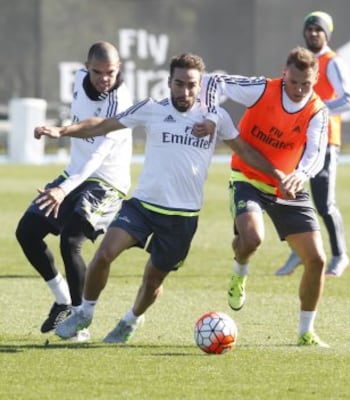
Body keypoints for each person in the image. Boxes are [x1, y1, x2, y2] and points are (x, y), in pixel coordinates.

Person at [35, 53, 289, 344]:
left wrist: (277, 173)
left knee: (153, 279)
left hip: (182, 217)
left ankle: (130, 321)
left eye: (191, 85)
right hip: (142, 206)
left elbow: (244, 151)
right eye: (179, 83)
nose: (185, 91)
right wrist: (62, 131)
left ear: (200, 85)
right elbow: (103, 124)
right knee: (103, 254)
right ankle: (85, 312)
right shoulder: (152, 109)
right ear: (168, 82)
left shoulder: (216, 117)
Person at [204, 47, 330, 346]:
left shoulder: (317, 110)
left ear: (316, 78)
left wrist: (300, 175)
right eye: (294, 82)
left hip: (288, 185)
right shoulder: (262, 89)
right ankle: (240, 271)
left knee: (317, 259)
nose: (299, 89)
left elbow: (316, 154)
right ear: (284, 73)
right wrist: (210, 114)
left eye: (306, 84)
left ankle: (305, 332)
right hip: (247, 177)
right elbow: (213, 81)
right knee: (251, 240)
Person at [15, 41, 133, 340]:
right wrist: (59, 128)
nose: (104, 78)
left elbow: (97, 158)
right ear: (86, 67)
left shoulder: (122, 102)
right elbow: (81, 124)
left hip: (107, 183)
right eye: (97, 72)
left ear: (118, 69)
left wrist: (62, 190)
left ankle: (81, 322)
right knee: (27, 231)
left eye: (111, 72)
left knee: (71, 240)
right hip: (74, 176)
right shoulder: (78, 81)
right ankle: (62, 301)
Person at [275, 11, 350, 277]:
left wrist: (316, 110)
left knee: (324, 204)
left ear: (327, 34)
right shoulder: (303, 61)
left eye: (318, 30)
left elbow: (348, 100)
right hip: (297, 141)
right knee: (292, 199)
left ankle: (340, 255)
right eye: (309, 28)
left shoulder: (332, 62)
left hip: (324, 141)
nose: (313, 33)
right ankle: (300, 251)